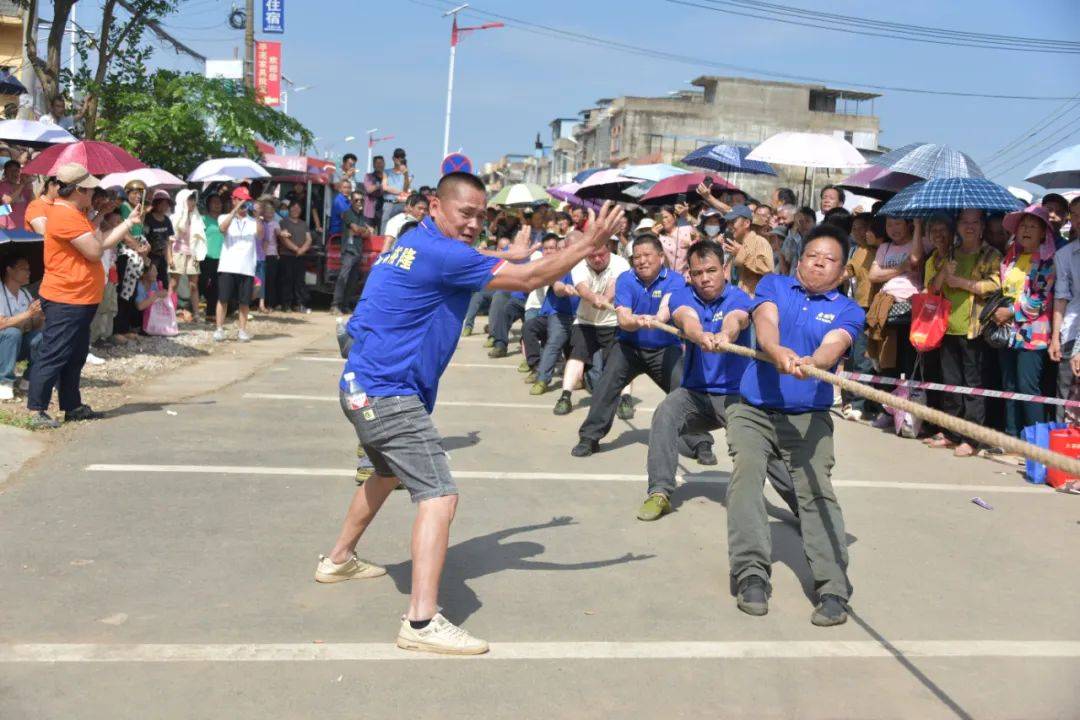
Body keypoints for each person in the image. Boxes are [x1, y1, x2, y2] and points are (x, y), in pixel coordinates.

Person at [320, 172, 624, 655]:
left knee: (384, 474)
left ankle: (338, 560)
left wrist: (518, 253)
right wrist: (589, 242)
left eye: (480, 217)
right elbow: (526, 280)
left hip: (363, 387)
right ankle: (420, 623)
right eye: (465, 214)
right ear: (435, 208)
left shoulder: (413, 241)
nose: (473, 224)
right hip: (388, 393)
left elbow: (482, 259)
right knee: (439, 494)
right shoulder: (443, 253)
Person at [720, 223, 864, 626]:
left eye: (830, 259)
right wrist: (775, 348)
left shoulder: (849, 310)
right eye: (812, 255)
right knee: (747, 474)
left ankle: (833, 586)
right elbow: (765, 323)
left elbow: (835, 343)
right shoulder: (774, 286)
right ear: (799, 260)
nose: (819, 262)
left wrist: (814, 363)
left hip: (808, 417)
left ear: (842, 270)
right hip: (754, 408)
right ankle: (751, 572)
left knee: (817, 491)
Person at [636, 241, 797, 521]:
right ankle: (659, 492)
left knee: (762, 448)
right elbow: (687, 319)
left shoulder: (740, 298)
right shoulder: (682, 295)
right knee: (664, 414)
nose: (705, 278)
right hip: (694, 395)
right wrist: (699, 336)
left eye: (711, 270)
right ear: (689, 274)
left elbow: (736, 320)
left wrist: (726, 335)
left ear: (725, 269)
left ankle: (805, 510)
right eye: (697, 272)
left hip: (737, 397)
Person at [571, 233, 716, 461]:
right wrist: (636, 321)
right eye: (636, 256)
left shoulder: (676, 280)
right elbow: (624, 320)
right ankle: (589, 437)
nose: (642, 260)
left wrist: (658, 318)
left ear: (661, 256)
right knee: (605, 386)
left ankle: (701, 443)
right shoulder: (626, 279)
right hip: (629, 347)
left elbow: (668, 305)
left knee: (685, 390)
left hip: (665, 349)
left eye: (647, 255)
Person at [26, 163, 141, 428]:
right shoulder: (65, 215)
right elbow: (94, 251)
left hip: (79, 297)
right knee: (54, 352)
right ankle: (37, 409)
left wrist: (127, 222)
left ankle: (71, 405)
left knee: (75, 354)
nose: (93, 193)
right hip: (66, 297)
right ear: (77, 189)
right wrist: (99, 228)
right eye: (89, 189)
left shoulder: (75, 213)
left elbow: (100, 243)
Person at [921, 211, 1002, 455]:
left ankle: (972, 438)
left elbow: (995, 286)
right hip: (947, 327)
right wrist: (945, 274)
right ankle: (951, 432)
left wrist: (963, 284)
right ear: (957, 226)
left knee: (973, 386)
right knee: (950, 385)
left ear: (982, 227)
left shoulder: (990, 254)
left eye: (974, 222)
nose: (969, 227)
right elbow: (932, 289)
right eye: (964, 222)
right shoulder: (950, 254)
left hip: (974, 329)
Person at [994, 204, 1056, 438]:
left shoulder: (1047, 260)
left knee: (1028, 387)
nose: (1027, 230)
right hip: (1007, 334)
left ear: (1044, 233)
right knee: (1009, 387)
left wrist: (1009, 312)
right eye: (1023, 226)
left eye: (1033, 226)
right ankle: (1011, 437)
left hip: (1033, 335)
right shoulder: (1011, 257)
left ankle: (1037, 443)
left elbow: (1039, 299)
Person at [552, 240, 631, 415]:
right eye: (592, 256)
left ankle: (626, 399)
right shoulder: (579, 264)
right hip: (585, 320)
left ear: (608, 251)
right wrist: (594, 298)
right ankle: (565, 396)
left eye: (601, 255)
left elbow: (615, 285)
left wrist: (607, 298)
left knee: (620, 361)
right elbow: (582, 288)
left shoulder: (621, 263)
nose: (596, 259)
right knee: (576, 357)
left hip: (613, 322)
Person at [867, 216, 923, 392]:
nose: (893, 228)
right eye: (889, 224)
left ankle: (908, 409)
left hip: (911, 308)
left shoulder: (920, 242)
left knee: (909, 360)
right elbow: (873, 275)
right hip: (887, 308)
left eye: (898, 223)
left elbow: (915, 260)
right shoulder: (884, 247)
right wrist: (901, 268)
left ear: (908, 224)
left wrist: (918, 226)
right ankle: (888, 409)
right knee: (888, 360)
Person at [839, 213, 882, 422]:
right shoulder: (858, 250)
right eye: (854, 228)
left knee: (865, 359)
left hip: (872, 308)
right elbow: (848, 272)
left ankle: (861, 403)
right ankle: (854, 400)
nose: (857, 232)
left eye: (862, 228)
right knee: (854, 357)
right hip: (856, 306)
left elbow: (848, 272)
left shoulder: (878, 250)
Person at [214, 186, 260, 343]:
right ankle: (219, 329)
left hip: (246, 267)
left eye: (246, 201)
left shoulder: (252, 221)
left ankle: (242, 330)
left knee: (244, 302)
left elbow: (260, 235)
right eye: (241, 200)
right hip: (228, 265)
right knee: (223, 298)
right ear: (233, 200)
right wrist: (234, 211)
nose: (244, 205)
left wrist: (258, 216)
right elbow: (222, 228)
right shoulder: (224, 217)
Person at [0, 255, 43, 400]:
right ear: (9, 270)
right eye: (24, 269)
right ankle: (5, 381)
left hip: (16, 344)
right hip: (4, 343)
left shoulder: (25, 293)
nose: (28, 273)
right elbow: (2, 324)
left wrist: (38, 316)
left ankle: (28, 379)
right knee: (12, 333)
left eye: (29, 269)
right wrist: (28, 314)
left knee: (41, 336)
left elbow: (34, 325)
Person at [1052, 198, 1080, 420]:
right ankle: (1063, 444)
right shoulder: (1064, 254)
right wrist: (1055, 338)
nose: (1079, 221)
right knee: (1065, 391)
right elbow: (1061, 297)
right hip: (1070, 330)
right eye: (1075, 215)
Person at [167, 189, 205, 322]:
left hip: (193, 254)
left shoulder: (197, 217)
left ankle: (196, 314)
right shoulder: (174, 217)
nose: (192, 202)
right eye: (189, 199)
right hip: (177, 252)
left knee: (194, 285)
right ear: (183, 200)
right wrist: (170, 257)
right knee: (174, 283)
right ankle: (169, 311)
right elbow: (169, 240)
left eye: (193, 199)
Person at [331, 192, 371, 316]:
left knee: (352, 281)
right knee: (343, 278)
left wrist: (364, 230)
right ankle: (335, 306)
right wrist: (364, 229)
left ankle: (345, 306)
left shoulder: (362, 216)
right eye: (356, 200)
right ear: (351, 202)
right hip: (349, 250)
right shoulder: (348, 213)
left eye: (361, 200)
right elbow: (356, 229)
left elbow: (368, 233)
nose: (359, 202)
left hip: (358, 251)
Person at [722, 205, 774, 295]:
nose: (729, 226)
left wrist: (742, 255)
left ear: (746, 223)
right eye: (728, 223)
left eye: (733, 222)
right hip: (736, 301)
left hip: (752, 303)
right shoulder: (735, 245)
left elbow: (768, 270)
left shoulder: (760, 242)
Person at [277, 200, 313, 313]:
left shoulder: (304, 223)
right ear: (289, 210)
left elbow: (309, 238)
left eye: (298, 209)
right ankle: (286, 305)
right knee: (287, 280)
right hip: (286, 255)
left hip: (300, 256)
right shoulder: (283, 222)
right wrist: (296, 249)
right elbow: (283, 239)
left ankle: (299, 304)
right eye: (293, 208)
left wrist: (302, 249)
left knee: (299, 281)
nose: (296, 210)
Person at [199, 193, 225, 320]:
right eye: (214, 202)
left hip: (221, 257)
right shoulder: (203, 219)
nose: (217, 204)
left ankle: (210, 312)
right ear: (208, 204)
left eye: (219, 202)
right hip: (206, 256)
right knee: (201, 282)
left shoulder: (224, 219)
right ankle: (193, 309)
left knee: (216, 285)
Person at [142, 190, 174, 285]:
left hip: (161, 257)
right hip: (149, 257)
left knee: (163, 282)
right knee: (149, 281)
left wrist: (169, 258)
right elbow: (143, 236)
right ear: (155, 204)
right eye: (161, 204)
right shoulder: (148, 218)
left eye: (166, 204)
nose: (164, 206)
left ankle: (162, 300)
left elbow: (168, 240)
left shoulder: (167, 220)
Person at [256, 197, 280, 312]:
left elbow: (278, 234)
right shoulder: (260, 223)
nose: (269, 214)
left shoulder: (275, 223)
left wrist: (283, 234)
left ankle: (270, 303)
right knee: (258, 280)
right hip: (260, 255)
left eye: (271, 212)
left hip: (270, 254)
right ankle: (257, 303)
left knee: (269, 280)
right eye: (266, 211)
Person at [656, 205, 693, 274]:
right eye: (661, 218)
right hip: (672, 277)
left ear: (674, 216)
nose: (663, 220)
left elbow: (702, 240)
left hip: (690, 275)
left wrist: (690, 244)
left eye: (666, 217)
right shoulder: (659, 238)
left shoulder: (687, 229)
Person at [779, 206, 816, 276]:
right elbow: (786, 260)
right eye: (801, 221)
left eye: (808, 221)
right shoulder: (791, 239)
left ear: (814, 223)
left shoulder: (817, 241)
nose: (804, 225)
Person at [381, 148, 411, 232]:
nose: (399, 159)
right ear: (393, 158)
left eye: (402, 157)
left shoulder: (408, 173)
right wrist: (400, 192)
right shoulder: (386, 172)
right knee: (385, 225)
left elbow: (405, 188)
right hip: (389, 203)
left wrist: (405, 174)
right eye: (397, 157)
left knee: (401, 226)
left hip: (402, 203)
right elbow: (384, 187)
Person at [0, 159, 34, 232]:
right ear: (5, 173)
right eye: (10, 171)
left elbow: (31, 204)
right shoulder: (2, 186)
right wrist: (22, 185)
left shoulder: (24, 187)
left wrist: (29, 185)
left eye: (16, 170)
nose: (14, 173)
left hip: (23, 228)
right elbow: (7, 201)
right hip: (6, 228)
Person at [363, 155, 387, 229]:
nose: (379, 165)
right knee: (368, 232)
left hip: (383, 209)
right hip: (370, 210)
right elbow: (369, 190)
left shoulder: (388, 177)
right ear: (373, 165)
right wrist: (380, 185)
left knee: (382, 233)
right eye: (377, 163)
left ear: (384, 164)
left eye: (381, 163)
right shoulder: (368, 176)